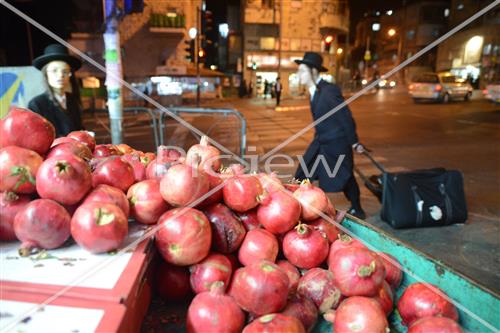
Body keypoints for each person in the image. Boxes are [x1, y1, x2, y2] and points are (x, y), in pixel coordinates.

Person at [293, 52, 366, 219]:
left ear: (313, 71)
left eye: (302, 71)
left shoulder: (328, 91)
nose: (299, 75)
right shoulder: (314, 91)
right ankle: (296, 205)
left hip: (336, 143)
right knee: (303, 171)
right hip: (321, 141)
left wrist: (354, 142)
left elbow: (345, 117)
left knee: (345, 176)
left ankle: (357, 209)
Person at [28, 44, 83, 137]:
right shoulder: (37, 104)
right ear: (46, 74)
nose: (60, 75)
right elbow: (35, 136)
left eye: (65, 71)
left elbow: (80, 128)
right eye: (54, 70)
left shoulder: (73, 100)